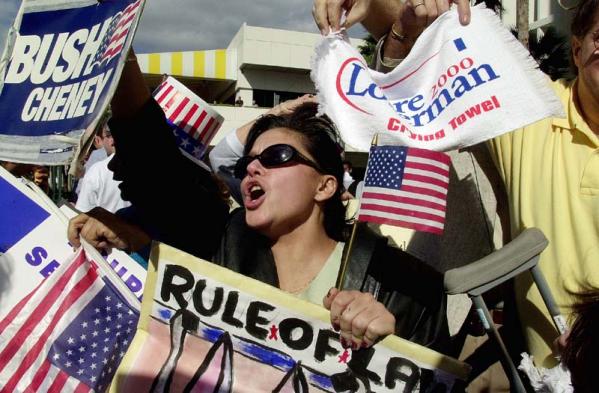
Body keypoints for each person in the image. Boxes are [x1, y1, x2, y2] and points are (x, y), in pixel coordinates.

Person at [68, 50, 450, 353]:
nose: (253, 169)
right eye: (248, 161)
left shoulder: (401, 287)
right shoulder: (221, 242)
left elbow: (435, 375)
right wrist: (121, 43)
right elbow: (149, 155)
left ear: (326, 186)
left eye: (276, 158)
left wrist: (392, 343)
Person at [75, 124, 131, 213]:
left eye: (103, 137)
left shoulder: (97, 171)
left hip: (106, 225)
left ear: (111, 139)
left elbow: (84, 211)